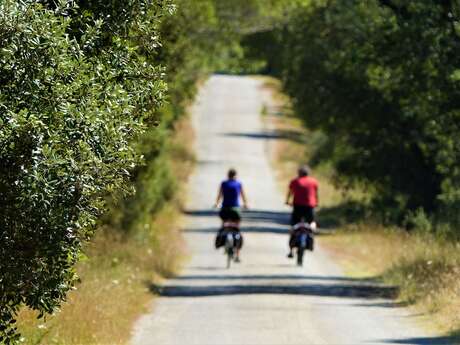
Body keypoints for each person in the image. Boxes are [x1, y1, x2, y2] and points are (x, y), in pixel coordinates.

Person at [214, 168, 248, 262]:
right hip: (235, 209)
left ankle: (222, 241)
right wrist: (245, 204)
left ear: (228, 175)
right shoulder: (238, 184)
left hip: (225, 209)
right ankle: (237, 255)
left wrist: (216, 203)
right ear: (235, 175)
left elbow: (219, 196)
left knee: (224, 225)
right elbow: (243, 196)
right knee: (237, 228)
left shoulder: (224, 184)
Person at [285, 165, 319, 258]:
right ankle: (312, 236)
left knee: (294, 226)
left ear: (299, 173)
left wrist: (287, 201)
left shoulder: (295, 181)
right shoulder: (314, 182)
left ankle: (291, 251)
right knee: (312, 222)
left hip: (298, 207)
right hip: (310, 207)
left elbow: (290, 192)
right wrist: (316, 203)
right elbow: (315, 194)